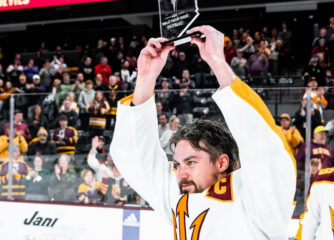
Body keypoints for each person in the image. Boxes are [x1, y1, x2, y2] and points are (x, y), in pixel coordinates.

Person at [110, 25, 296, 239]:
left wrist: (217, 61)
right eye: (177, 164)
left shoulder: (252, 199)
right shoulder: (180, 192)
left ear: (222, 163)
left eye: (191, 162)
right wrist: (146, 76)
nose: (181, 173)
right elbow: (134, 157)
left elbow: (265, 148)